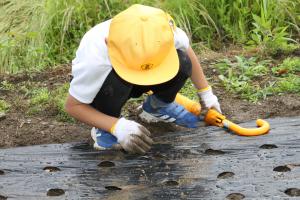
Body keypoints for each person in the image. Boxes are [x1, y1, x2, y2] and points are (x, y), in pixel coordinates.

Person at [65, 4, 221, 155]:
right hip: (109, 84)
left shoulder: (162, 32)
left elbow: (186, 50)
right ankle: (104, 127)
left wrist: (206, 93)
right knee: (115, 84)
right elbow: (73, 106)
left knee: (183, 62)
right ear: (108, 43)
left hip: (144, 70)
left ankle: (157, 107)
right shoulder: (95, 59)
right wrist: (115, 126)